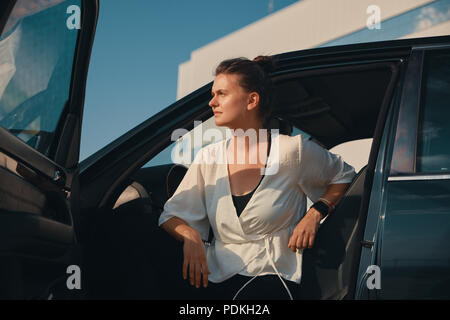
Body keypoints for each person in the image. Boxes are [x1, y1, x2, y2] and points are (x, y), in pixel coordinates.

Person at [158, 56, 356, 300]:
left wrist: (316, 212)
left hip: (271, 276)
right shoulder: (208, 156)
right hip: (213, 275)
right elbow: (171, 215)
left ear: (251, 100)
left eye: (221, 94)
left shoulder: (291, 151)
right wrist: (190, 238)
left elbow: (345, 175)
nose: (212, 102)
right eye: (213, 94)